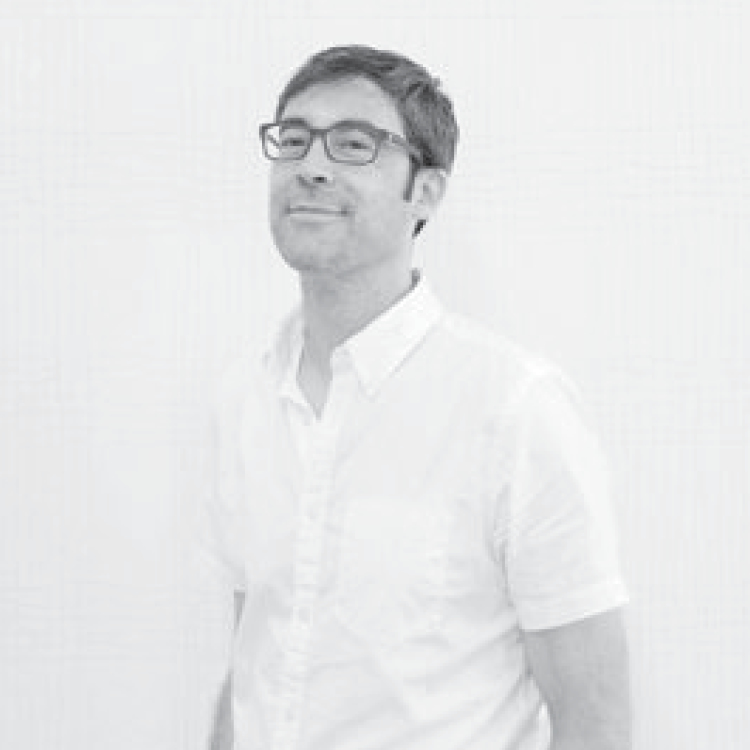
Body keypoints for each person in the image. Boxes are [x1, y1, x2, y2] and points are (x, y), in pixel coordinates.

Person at [194, 44, 630, 750]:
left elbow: (596, 716)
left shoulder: (515, 408)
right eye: (294, 139)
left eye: (354, 144)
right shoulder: (244, 396)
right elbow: (255, 666)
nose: (311, 165)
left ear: (426, 192)